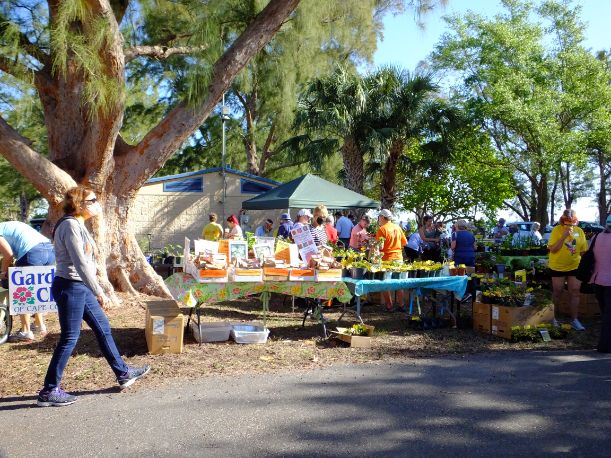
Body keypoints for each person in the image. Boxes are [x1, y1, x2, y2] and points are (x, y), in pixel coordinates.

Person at [38, 186, 150, 407]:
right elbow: (80, 263)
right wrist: (100, 291)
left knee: (102, 327)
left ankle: (123, 373)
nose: (97, 203)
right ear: (81, 204)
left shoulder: (78, 224)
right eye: (93, 200)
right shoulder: (70, 225)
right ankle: (49, 391)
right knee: (70, 338)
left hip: (79, 287)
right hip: (70, 287)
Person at [0, 221, 55, 341]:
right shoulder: (7, 226)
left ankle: (25, 331)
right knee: (36, 289)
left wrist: (3, 273)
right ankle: (39, 325)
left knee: (23, 291)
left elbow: (8, 255)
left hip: (31, 253)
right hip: (48, 250)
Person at [548, 209, 588, 331]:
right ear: (562, 220)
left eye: (572, 221)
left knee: (575, 291)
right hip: (558, 266)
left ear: (576, 220)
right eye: (567, 221)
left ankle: (575, 319)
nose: (570, 224)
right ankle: (552, 318)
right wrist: (564, 236)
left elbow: (583, 250)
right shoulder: (556, 230)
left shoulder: (579, 231)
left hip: (575, 266)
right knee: (558, 292)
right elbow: (553, 249)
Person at [376, 209, 407, 312]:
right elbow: (404, 243)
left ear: (382, 217)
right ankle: (401, 305)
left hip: (387, 259)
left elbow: (380, 247)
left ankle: (389, 306)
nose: (378, 219)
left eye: (379, 217)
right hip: (398, 258)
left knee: (386, 284)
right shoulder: (397, 227)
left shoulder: (382, 229)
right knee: (399, 283)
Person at [589, 214, 611, 352]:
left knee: (606, 314)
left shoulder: (596, 237)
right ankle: (605, 346)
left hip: (597, 280)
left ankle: (604, 343)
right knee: (609, 316)